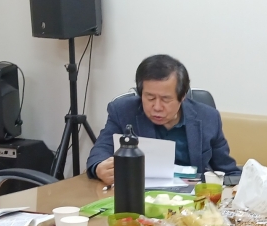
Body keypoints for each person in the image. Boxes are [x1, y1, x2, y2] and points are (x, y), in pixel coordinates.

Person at [86, 54, 240, 184]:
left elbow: (228, 172)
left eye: (166, 99)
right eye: (150, 98)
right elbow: (100, 151)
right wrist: (99, 167)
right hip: (140, 196)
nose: (157, 107)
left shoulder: (208, 118)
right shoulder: (123, 111)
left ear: (182, 96)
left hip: (191, 200)